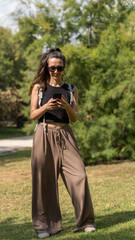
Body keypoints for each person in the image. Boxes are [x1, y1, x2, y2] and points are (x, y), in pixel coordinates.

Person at [29, 47, 96, 239]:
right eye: (52, 68)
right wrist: (46, 107)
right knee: (43, 182)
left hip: (66, 134)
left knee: (79, 175)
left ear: (63, 68)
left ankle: (86, 221)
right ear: (46, 67)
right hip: (44, 133)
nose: (56, 71)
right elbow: (33, 114)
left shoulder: (70, 89)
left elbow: (74, 118)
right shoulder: (39, 88)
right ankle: (44, 226)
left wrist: (66, 105)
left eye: (59, 68)